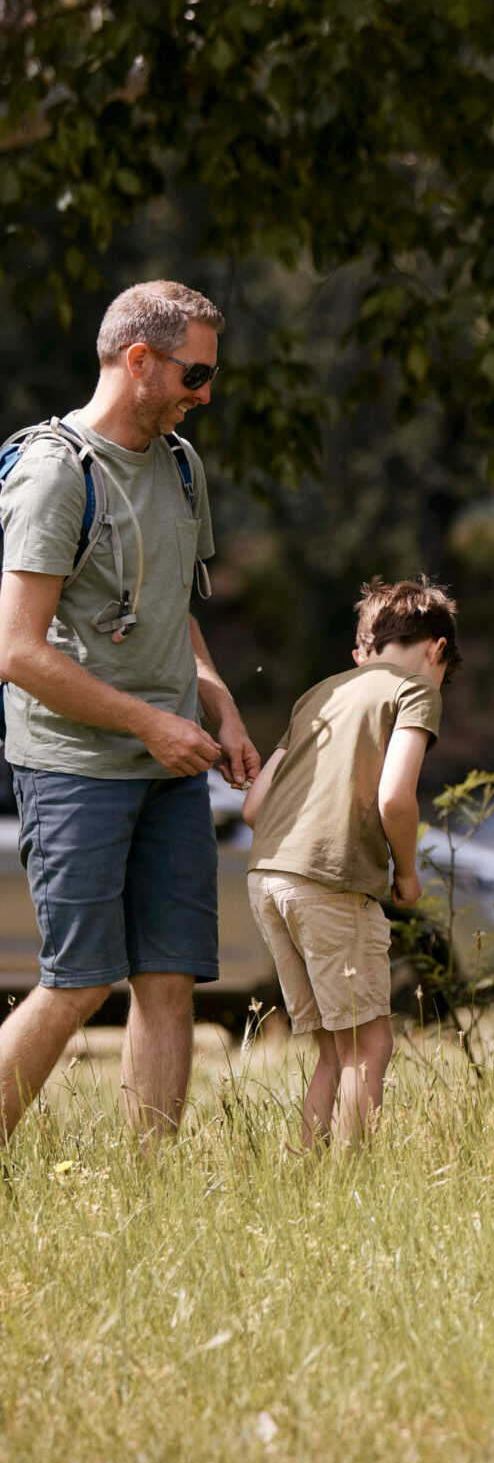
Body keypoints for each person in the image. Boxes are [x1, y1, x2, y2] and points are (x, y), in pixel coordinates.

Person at [0, 280, 260, 1143]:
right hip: (77, 768)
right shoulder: (53, 476)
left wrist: (218, 704)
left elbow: (169, 610)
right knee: (76, 980)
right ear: (138, 360)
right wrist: (150, 722)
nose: (206, 394)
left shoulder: (182, 465)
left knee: (170, 976)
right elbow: (17, 651)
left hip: (172, 766)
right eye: (194, 374)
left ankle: (150, 1185)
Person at [241, 578, 457, 1148]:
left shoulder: (319, 693)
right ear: (436, 649)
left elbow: (254, 806)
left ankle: (311, 1181)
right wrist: (406, 872)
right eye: (445, 670)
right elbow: (395, 797)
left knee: (336, 1052)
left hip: (268, 877)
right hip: (329, 883)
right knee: (371, 1047)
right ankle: (349, 1181)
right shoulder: (415, 690)